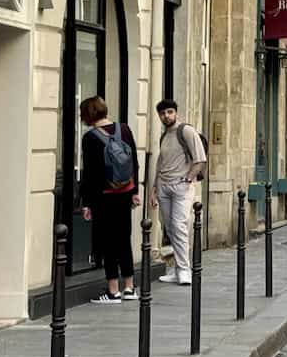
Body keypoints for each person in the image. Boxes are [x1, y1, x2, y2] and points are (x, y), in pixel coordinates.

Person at [78, 96, 140, 304]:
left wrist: (86, 202)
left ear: (87, 115)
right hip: (125, 193)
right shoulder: (125, 129)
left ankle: (113, 291)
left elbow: (90, 173)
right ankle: (129, 287)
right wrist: (134, 191)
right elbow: (134, 162)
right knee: (124, 240)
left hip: (103, 196)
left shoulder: (90, 137)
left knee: (108, 243)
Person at [150, 99, 205, 286]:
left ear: (176, 112)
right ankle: (177, 269)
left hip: (181, 186)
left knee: (179, 226)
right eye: (162, 113)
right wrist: (154, 188)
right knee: (170, 228)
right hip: (164, 186)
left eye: (169, 112)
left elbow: (200, 159)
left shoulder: (186, 131)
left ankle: (184, 270)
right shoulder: (164, 136)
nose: (166, 116)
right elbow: (160, 163)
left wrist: (188, 179)